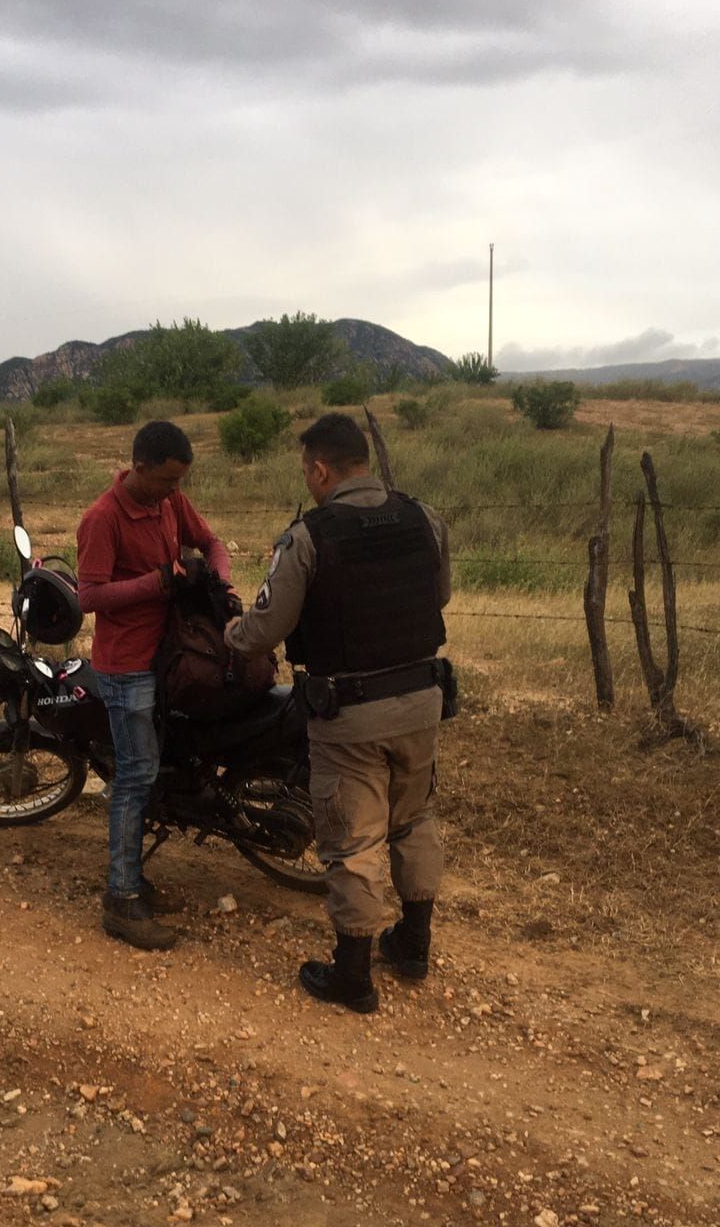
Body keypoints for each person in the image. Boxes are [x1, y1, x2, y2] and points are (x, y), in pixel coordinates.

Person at [225, 412, 451, 1014]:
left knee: (352, 841)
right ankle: (413, 946)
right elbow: (440, 596)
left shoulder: (308, 537)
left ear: (320, 469)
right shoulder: (423, 518)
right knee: (415, 819)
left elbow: (266, 628)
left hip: (350, 717)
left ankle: (352, 976)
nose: (309, 482)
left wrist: (230, 633)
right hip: (423, 702)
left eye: (308, 473)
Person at [77, 420, 235, 951]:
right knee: (135, 775)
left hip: (169, 660)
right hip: (126, 666)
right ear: (138, 467)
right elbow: (90, 597)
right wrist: (158, 584)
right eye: (167, 481)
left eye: (179, 483)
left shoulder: (169, 501)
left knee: (155, 771)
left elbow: (210, 541)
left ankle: (134, 880)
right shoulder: (102, 519)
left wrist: (220, 579)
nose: (174, 492)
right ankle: (120, 898)